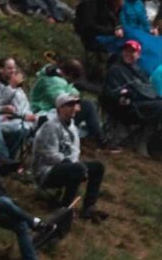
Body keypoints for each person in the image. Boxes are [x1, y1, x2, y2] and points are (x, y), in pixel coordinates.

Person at [30, 91, 106, 220]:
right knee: (77, 169)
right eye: (70, 104)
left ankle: (89, 207)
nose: (74, 107)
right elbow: (50, 155)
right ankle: (66, 208)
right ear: (60, 108)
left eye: (75, 104)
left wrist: (75, 164)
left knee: (98, 167)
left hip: (68, 166)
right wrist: (72, 164)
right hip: (46, 171)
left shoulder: (72, 127)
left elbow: (75, 151)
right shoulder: (50, 126)